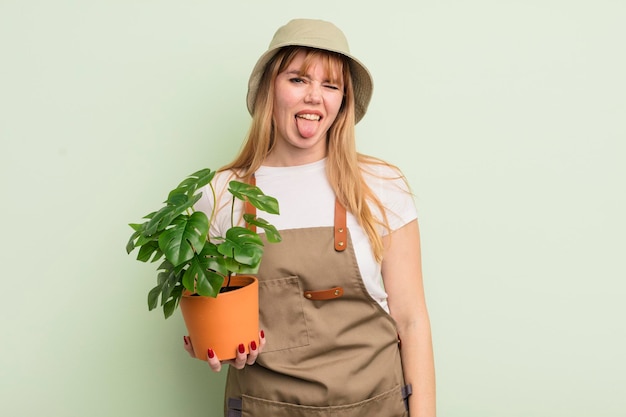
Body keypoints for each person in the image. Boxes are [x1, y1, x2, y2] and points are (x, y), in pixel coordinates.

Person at [183, 18, 436, 417]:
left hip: (375, 407)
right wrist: (217, 344)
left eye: (331, 85)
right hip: (266, 407)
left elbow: (412, 322)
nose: (315, 97)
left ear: (343, 101)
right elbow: (216, 312)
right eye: (298, 79)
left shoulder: (381, 185)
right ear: (271, 88)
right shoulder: (220, 194)